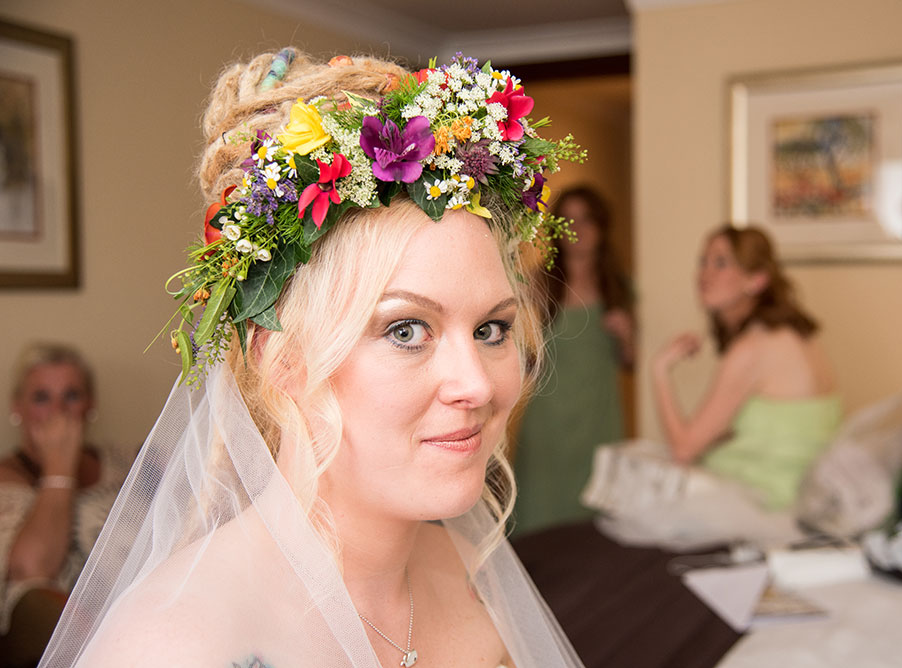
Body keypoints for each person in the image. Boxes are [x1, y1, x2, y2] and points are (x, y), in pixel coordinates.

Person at [39, 49, 584, 667]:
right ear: (283, 362)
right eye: (407, 330)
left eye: (492, 328)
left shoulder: (468, 570)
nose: (477, 386)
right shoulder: (177, 642)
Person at [582, 225, 840, 550]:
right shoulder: (795, 334)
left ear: (756, 279)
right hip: (803, 490)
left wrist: (660, 369)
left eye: (721, 263)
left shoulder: (753, 347)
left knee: (636, 481)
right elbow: (775, 428)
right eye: (702, 261)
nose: (704, 273)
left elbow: (684, 449)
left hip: (771, 502)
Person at [513, 186, 634, 536]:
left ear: (601, 226)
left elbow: (631, 360)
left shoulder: (618, 287)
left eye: (587, 219)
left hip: (598, 418)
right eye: (570, 220)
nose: (579, 229)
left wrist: (625, 334)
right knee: (540, 517)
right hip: (547, 421)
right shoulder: (537, 283)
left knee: (594, 522)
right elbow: (520, 355)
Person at [0, 344, 129, 668]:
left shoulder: (126, 465)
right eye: (41, 397)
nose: (58, 410)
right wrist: (59, 466)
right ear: (18, 408)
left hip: (135, 613)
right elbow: (32, 570)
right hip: (55, 643)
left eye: (71, 396)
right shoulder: (7, 477)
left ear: (90, 405)